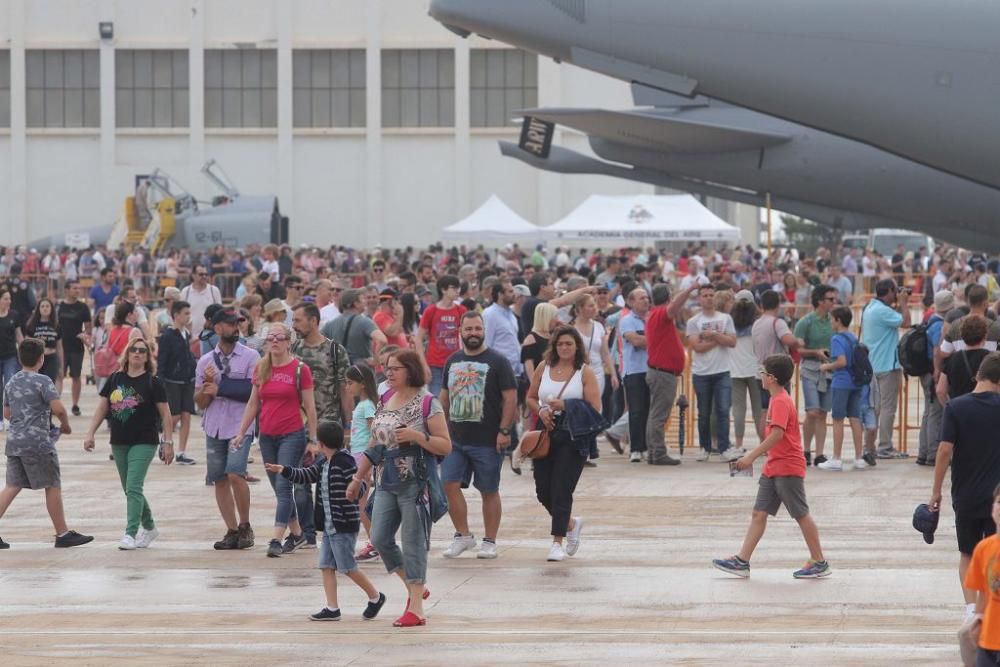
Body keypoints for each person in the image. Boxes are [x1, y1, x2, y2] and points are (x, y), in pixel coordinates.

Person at [346, 350, 452, 628]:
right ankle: (414, 585)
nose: (388, 373)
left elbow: (445, 445)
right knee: (380, 538)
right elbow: (375, 444)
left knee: (415, 543)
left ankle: (416, 608)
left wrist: (418, 436)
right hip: (386, 480)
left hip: (416, 485)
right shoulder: (384, 400)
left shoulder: (428, 403)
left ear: (411, 370)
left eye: (395, 368)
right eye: (387, 368)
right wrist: (358, 478)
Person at [712, 354, 831, 579]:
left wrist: (751, 456)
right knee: (759, 513)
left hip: (787, 467)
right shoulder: (777, 400)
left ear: (772, 378)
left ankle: (819, 560)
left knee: (801, 514)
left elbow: (777, 434)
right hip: (774, 466)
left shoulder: (781, 401)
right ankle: (742, 560)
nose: (761, 377)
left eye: (763, 374)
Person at [266, 422, 387, 622]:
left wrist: (358, 486)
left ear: (321, 444)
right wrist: (284, 470)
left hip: (343, 526)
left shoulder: (345, 463)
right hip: (330, 526)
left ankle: (375, 597)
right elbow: (306, 475)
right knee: (326, 565)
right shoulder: (324, 463)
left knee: (347, 567)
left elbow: (359, 488)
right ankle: (332, 608)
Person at [231, 322, 319, 558]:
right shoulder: (261, 367)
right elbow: (253, 403)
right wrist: (241, 432)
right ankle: (298, 534)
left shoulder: (300, 369)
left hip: (292, 435)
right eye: (271, 338)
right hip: (267, 437)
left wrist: (313, 438)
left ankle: (276, 539)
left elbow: (310, 407)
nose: (275, 341)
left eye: (280, 337)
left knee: (283, 487)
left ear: (289, 342)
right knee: (279, 489)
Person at [83, 336, 175, 550]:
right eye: (134, 349)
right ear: (127, 352)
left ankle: (130, 533)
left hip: (145, 441)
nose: (137, 353)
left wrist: (168, 442)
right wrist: (90, 433)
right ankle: (150, 527)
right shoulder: (115, 379)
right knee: (130, 489)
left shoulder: (154, 382)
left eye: (142, 351)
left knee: (134, 486)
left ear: (147, 357)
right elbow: (102, 408)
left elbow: (166, 415)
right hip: (119, 441)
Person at [439, 312, 518, 560]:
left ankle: (490, 541)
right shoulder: (452, 360)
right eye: (469, 329)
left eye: (477, 329)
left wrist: (505, 431)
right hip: (456, 439)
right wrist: (440, 427)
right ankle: (463, 536)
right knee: (448, 484)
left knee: (488, 490)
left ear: (484, 330)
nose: (473, 333)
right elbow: (444, 396)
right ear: (460, 332)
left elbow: (510, 398)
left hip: (488, 439)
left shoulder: (498, 361)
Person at [0, 338, 92, 549]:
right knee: (52, 485)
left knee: (12, 486)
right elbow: (58, 409)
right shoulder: (43, 381)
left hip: (15, 443)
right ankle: (62, 534)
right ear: (41, 359)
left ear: (19, 358)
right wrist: (66, 426)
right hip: (38, 443)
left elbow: (6, 412)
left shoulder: (12, 381)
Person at [931, 352, 1000, 624]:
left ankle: (971, 611)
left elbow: (945, 450)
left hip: (966, 493)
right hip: (997, 498)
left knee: (968, 552)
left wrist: (935, 491)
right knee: (996, 551)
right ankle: (993, 607)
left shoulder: (956, 407)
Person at [525, 325, 604, 562]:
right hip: (546, 431)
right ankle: (570, 523)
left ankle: (557, 541)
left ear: (576, 346)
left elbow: (595, 407)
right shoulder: (544, 367)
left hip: (573, 434)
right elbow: (530, 396)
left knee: (561, 488)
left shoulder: (584, 372)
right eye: (560, 344)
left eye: (569, 344)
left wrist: (567, 406)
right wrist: (540, 411)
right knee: (543, 490)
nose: (564, 348)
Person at [195, 308, 258, 551]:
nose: (236, 328)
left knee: (235, 473)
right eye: (230, 324)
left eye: (237, 323)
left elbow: (253, 393)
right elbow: (200, 402)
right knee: (218, 478)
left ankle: (245, 525)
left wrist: (219, 389)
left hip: (239, 424)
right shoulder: (205, 361)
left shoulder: (251, 357)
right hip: (214, 425)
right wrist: (207, 387)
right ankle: (231, 529)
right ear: (218, 328)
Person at [860, 278, 912, 459]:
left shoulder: (870, 308)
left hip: (873, 365)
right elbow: (906, 322)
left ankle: (868, 447)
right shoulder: (883, 311)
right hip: (887, 366)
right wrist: (904, 303)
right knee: (888, 409)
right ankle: (885, 447)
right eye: (895, 291)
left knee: (874, 408)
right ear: (889, 291)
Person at [687, 284, 738, 462]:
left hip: (722, 370)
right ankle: (705, 447)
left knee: (723, 410)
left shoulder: (726, 318)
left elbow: (732, 342)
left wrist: (713, 335)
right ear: (699, 299)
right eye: (705, 295)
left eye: (711, 295)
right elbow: (698, 347)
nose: (708, 298)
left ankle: (724, 447)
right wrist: (719, 338)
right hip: (701, 372)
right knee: (704, 412)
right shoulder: (693, 322)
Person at [645, 282, 692, 466]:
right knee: (659, 415)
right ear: (668, 298)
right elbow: (673, 307)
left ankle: (654, 452)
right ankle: (658, 452)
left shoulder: (655, 315)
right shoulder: (660, 314)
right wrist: (689, 289)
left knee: (656, 414)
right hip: (662, 373)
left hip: (661, 372)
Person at [818, 307, 867, 471]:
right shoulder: (853, 337)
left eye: (832, 319)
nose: (831, 322)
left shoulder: (837, 339)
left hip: (841, 381)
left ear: (838, 320)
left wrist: (826, 366)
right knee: (855, 418)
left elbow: (841, 361)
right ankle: (859, 457)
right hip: (856, 381)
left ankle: (837, 458)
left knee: (838, 419)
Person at [794, 285, 837, 466]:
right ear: (820, 301)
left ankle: (819, 454)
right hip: (810, 370)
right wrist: (815, 352)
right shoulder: (805, 322)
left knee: (822, 413)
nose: (834, 302)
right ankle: (805, 450)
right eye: (831, 299)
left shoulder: (833, 321)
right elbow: (798, 349)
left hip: (829, 370)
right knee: (812, 411)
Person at [292, 303, 352, 426]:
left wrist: (350, 425)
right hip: (297, 427)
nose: (294, 326)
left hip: (327, 426)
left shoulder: (335, 351)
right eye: (293, 321)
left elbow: (345, 390)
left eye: (298, 321)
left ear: (313, 321)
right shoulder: (293, 349)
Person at [345, 363, 380, 563]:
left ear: (363, 385)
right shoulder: (363, 404)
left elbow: (374, 432)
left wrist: (368, 460)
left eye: (350, 383)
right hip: (358, 454)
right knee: (361, 503)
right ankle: (375, 541)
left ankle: (375, 543)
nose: (347, 387)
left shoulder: (367, 406)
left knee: (362, 504)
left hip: (362, 457)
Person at [156, 300, 198, 465]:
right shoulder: (167, 335)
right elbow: (162, 360)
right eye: (186, 313)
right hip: (172, 381)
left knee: (187, 414)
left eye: (189, 313)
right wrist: (161, 380)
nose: (188, 316)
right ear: (176, 315)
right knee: (175, 415)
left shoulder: (186, 334)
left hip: (187, 380)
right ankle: (164, 438)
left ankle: (182, 452)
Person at [963, 484, 1000, 665]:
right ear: (993, 508)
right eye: (999, 502)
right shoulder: (984, 549)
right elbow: (984, 592)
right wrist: (977, 617)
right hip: (989, 641)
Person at [915, 291, 952, 466]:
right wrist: (938, 370)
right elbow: (938, 350)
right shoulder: (939, 325)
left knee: (928, 413)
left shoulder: (929, 320)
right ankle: (932, 454)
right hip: (933, 372)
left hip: (926, 372)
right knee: (936, 413)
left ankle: (924, 452)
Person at [414, 275, 466, 396]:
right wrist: (423, 364)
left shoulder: (461, 310)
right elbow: (418, 338)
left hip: (457, 363)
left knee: (456, 402)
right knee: (437, 404)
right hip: (435, 364)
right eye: (453, 288)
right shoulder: (431, 311)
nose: (458, 291)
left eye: (458, 287)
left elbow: (466, 337)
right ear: (443, 290)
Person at [620, 287, 653, 463]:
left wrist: (647, 339)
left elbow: (643, 341)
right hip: (634, 371)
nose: (645, 301)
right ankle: (636, 448)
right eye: (641, 298)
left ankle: (647, 446)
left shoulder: (652, 319)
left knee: (650, 410)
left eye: (647, 297)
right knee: (636, 410)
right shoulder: (627, 321)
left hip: (652, 370)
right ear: (631, 302)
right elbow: (635, 340)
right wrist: (656, 339)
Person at [730, 290, 764, 451]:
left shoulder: (730, 322)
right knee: (759, 410)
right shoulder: (758, 323)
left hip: (735, 370)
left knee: (738, 409)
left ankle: (738, 444)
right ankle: (763, 444)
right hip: (755, 370)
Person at [322, 289, 388, 366]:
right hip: (361, 370)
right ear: (356, 304)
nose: (365, 302)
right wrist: (375, 361)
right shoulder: (364, 321)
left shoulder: (330, 324)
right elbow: (382, 340)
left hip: (339, 369)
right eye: (363, 299)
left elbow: (318, 344)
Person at [56, 280, 92, 415]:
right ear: (66, 290)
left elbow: (88, 328)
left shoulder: (83, 307)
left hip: (77, 347)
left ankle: (75, 405)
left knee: (76, 376)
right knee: (59, 376)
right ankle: (56, 403)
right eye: (74, 288)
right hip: (61, 346)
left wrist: (86, 334)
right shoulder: (59, 307)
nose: (77, 290)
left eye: (79, 288)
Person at [938, 316, 991, 403]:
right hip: (984, 410)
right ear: (985, 336)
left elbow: (940, 391)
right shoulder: (990, 358)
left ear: (962, 335)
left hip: (959, 409)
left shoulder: (952, 359)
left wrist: (949, 408)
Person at [180, 265, 223, 348]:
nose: (204, 276)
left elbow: (220, 314)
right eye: (201, 274)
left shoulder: (214, 291)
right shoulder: (186, 292)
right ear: (193, 275)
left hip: (211, 338)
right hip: (191, 339)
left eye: (206, 274)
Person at [0, 289, 24, 430]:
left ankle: (11, 418)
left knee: (10, 387)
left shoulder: (14, 315)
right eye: (5, 298)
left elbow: (19, 336)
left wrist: (24, 353)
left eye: (9, 298)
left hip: (10, 357)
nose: (9, 301)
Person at [23, 299, 61, 384]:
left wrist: (61, 364)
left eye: (47, 306)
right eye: (42, 306)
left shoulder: (56, 325)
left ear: (51, 309)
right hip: (36, 358)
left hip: (51, 358)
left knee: (49, 383)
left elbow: (59, 347)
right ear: (38, 309)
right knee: (36, 384)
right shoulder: (31, 325)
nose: (45, 308)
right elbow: (26, 346)